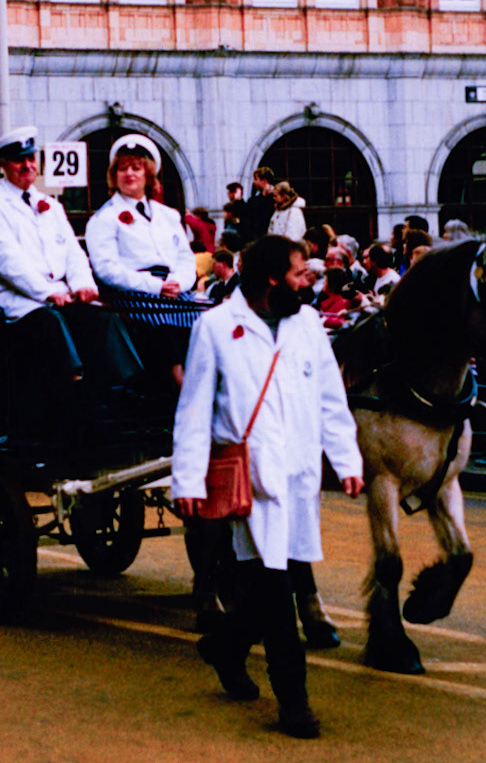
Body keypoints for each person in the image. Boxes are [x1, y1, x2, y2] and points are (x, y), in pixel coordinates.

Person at [171, 235, 365, 740]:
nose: (310, 281)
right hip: (251, 483)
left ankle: (225, 647)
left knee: (263, 587)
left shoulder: (308, 325)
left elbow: (330, 397)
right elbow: (194, 410)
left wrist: (346, 460)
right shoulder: (215, 327)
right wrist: (188, 480)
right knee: (278, 595)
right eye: (301, 273)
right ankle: (294, 701)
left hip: (298, 477)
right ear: (272, 278)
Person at [0, 127, 136, 439]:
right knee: (49, 323)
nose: (27, 166)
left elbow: (73, 253)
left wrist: (83, 285)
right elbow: (9, 263)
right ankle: (72, 399)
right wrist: (49, 292)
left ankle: (126, 388)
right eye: (19, 160)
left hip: (53, 295)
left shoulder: (51, 206)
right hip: (9, 298)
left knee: (102, 319)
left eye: (31, 158)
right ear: (4, 165)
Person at [85, 134, 198, 386]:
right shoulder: (105, 218)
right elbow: (106, 269)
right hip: (135, 295)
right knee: (165, 331)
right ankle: (185, 395)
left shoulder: (168, 216)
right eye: (122, 168)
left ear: (148, 175)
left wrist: (179, 282)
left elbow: (185, 259)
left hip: (175, 292)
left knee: (205, 327)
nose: (129, 174)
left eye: (136, 168)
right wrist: (155, 286)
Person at [240, 167, 277, 243]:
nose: (254, 182)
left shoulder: (275, 199)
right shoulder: (254, 200)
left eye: (256, 179)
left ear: (264, 181)